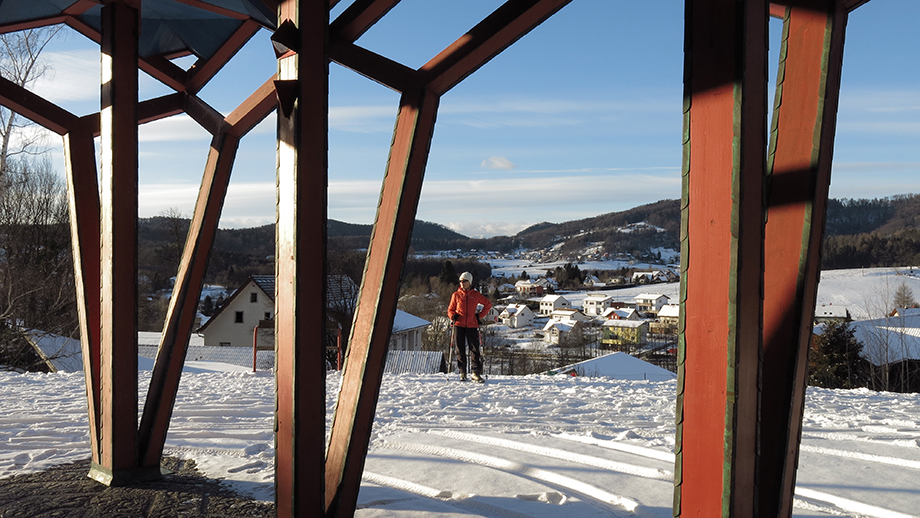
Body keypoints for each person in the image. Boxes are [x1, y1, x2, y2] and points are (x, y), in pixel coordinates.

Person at [447, 271, 492, 382]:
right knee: (460, 350)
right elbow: (450, 309)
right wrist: (452, 316)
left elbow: (488, 304)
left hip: (472, 325)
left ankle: (475, 373)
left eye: (465, 281)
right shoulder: (456, 295)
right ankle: (462, 373)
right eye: (461, 281)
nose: (462, 283)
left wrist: (479, 316)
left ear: (470, 282)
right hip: (458, 325)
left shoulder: (476, 295)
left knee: (475, 349)